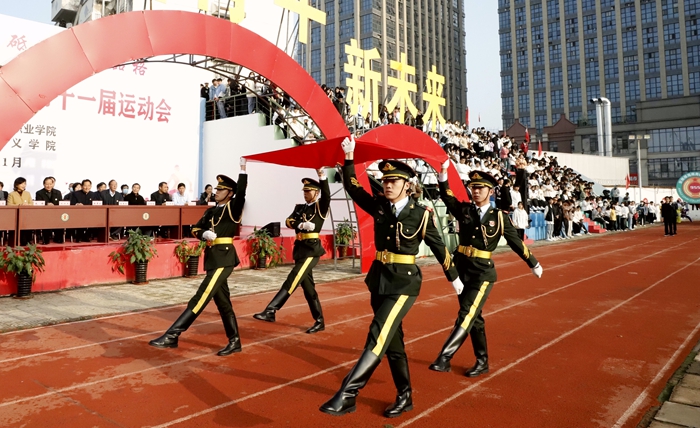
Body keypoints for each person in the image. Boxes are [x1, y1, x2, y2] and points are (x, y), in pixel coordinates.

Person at [319, 137, 461, 418]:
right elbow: (353, 187)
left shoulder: (420, 215)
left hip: (404, 284)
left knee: (378, 333)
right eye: (384, 180)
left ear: (407, 184)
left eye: (393, 180)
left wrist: (454, 278)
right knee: (393, 343)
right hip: (379, 280)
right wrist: (349, 156)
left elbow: (439, 247)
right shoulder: (381, 207)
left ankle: (348, 393)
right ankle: (405, 396)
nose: (387, 184)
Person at [428, 166, 542, 378]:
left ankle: (444, 357)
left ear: (490, 191)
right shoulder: (465, 210)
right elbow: (447, 196)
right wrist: (443, 178)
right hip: (462, 270)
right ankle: (482, 360)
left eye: (481, 188)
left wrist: (533, 263)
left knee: (466, 314)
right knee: (474, 317)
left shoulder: (498, 217)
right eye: (473, 187)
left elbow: (516, 242)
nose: (476, 191)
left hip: (482, 274)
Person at [149, 158, 248, 356]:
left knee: (202, 296)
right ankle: (235, 341)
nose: (216, 192)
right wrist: (203, 234)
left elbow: (242, 192)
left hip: (224, 258)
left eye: (221, 190)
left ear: (229, 193)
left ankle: (173, 335)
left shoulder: (232, 208)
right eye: (216, 189)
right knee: (223, 303)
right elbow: (195, 228)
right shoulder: (210, 211)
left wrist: (243, 171)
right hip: (212, 258)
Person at [253, 169, 330, 333]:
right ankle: (319, 320)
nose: (305, 193)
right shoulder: (300, 208)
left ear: (316, 192)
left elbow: (327, 196)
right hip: (300, 250)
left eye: (308, 191)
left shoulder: (320, 207)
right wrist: (300, 225)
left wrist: (323, 177)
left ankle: (271, 309)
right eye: (304, 191)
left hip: (312, 250)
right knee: (309, 289)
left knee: (292, 279)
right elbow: (288, 221)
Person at [35, 176, 64, 244]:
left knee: (61, 220)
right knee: (45, 221)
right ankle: (46, 240)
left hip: (56, 213)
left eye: (50, 184)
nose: (49, 186)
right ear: (44, 184)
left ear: (53, 184)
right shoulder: (39, 193)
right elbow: (39, 203)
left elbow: (60, 203)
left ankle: (58, 239)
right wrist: (47, 204)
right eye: (47, 184)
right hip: (44, 214)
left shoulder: (58, 192)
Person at [8, 177, 34, 245]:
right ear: (16, 185)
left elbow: (31, 204)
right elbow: (9, 205)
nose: (23, 185)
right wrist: (20, 205)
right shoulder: (12, 194)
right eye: (21, 184)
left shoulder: (27, 193)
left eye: (25, 183)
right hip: (15, 216)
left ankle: (28, 241)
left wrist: (28, 205)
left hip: (26, 215)